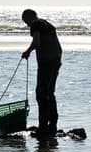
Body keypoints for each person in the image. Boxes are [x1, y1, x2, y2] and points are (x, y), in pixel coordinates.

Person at [21, 9, 62, 137]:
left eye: (26, 21)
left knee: (41, 93)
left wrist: (27, 51)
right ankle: (53, 125)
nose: (27, 25)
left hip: (47, 62)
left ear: (29, 17)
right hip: (56, 59)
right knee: (50, 92)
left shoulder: (36, 24)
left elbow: (37, 41)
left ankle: (43, 127)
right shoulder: (47, 24)